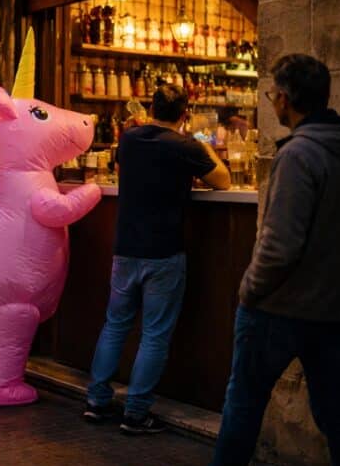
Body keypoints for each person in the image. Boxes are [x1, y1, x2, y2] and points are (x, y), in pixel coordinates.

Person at [165, 55, 340, 466]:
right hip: (336, 306)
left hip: (282, 306)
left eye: (273, 92)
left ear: (285, 99)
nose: (272, 100)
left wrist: (250, 290)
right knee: (336, 411)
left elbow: (279, 245)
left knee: (244, 400)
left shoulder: (300, 155)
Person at [84, 84, 230, 434]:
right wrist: (202, 144)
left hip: (126, 248)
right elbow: (222, 180)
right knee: (154, 334)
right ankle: (135, 414)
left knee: (115, 324)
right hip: (164, 251)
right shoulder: (185, 146)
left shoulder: (129, 141)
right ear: (184, 114)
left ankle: (96, 400)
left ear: (152, 108)